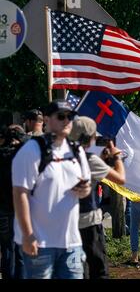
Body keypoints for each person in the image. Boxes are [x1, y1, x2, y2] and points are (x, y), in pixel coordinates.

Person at [12, 100, 91, 279]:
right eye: (61, 116)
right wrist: (28, 235)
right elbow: (19, 194)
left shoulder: (77, 151)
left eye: (70, 117)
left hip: (71, 242)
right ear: (47, 120)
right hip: (40, 242)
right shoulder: (31, 150)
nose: (66, 121)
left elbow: (85, 189)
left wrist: (84, 189)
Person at [68, 116, 126, 279]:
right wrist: (116, 156)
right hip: (89, 221)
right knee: (98, 269)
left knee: (77, 269)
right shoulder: (90, 160)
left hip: (66, 223)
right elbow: (120, 178)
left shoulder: (61, 156)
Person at [0, 125, 27, 279]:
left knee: (6, 249)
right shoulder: (22, 155)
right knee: (21, 250)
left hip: (3, 208)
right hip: (20, 208)